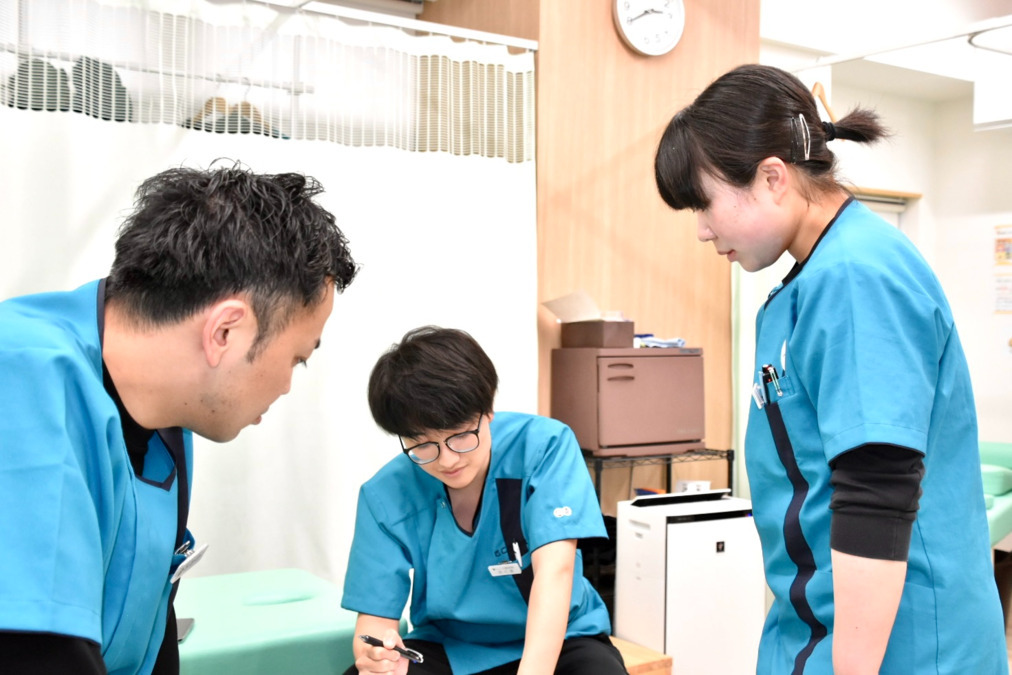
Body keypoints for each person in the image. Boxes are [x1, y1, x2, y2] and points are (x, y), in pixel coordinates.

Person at [654, 63, 1008, 674]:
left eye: (704, 204)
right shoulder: (810, 283)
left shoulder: (856, 276)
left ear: (772, 177)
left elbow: (876, 491)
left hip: (901, 648)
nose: (703, 230)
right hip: (822, 626)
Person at [0, 165, 357, 675]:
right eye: (297, 359)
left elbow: (152, 622)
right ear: (226, 331)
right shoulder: (22, 375)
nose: (286, 386)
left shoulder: (167, 421)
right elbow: (34, 651)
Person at [340, 327, 626, 675]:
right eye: (423, 444)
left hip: (561, 638)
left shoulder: (544, 447)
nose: (447, 460)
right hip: (451, 647)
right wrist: (377, 657)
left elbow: (556, 572)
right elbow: (374, 622)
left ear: (487, 410)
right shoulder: (384, 495)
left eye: (460, 436)